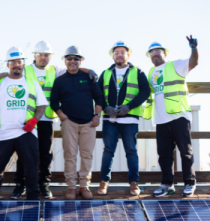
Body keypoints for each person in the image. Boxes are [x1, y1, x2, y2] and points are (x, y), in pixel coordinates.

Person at [0, 41, 98, 200]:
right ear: (35, 56)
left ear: (50, 57)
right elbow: (11, 72)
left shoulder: (56, 70)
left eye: (46, 55)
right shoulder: (26, 69)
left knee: (46, 154)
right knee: (23, 154)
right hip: (27, 118)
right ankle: (20, 186)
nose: (43, 58)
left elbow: (73, 69)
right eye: (40, 55)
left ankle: (44, 185)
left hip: (46, 118)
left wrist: (89, 70)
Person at [0, 47, 48, 200]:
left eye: (19, 62)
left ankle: (32, 196)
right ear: (8, 65)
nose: (16, 65)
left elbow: (42, 105)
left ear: (24, 64)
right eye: (13, 62)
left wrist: (34, 120)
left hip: (26, 132)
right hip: (2, 133)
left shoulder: (32, 83)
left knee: (30, 167)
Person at [143, 36, 198, 197]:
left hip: (179, 116)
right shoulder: (151, 72)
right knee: (164, 154)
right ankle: (167, 185)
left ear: (165, 54)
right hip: (161, 120)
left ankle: (190, 183)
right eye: (152, 53)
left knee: (185, 152)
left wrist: (194, 48)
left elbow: (193, 62)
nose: (155, 54)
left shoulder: (176, 65)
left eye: (158, 52)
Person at [97, 41, 150, 196]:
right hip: (109, 119)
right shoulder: (106, 73)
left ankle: (134, 183)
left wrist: (129, 106)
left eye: (122, 52)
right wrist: (105, 108)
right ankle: (103, 182)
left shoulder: (138, 72)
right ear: (113, 56)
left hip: (130, 119)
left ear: (128, 55)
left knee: (131, 151)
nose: (119, 55)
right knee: (108, 151)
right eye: (116, 52)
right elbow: (98, 94)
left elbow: (145, 92)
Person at [50, 46, 103, 200]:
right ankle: (71, 187)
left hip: (89, 123)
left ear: (81, 60)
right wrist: (61, 115)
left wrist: (97, 116)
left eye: (76, 58)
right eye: (69, 58)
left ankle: (84, 187)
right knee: (70, 155)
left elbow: (99, 98)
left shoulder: (89, 78)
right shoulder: (60, 80)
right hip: (69, 123)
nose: (73, 61)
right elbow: (54, 101)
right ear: (65, 61)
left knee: (87, 155)